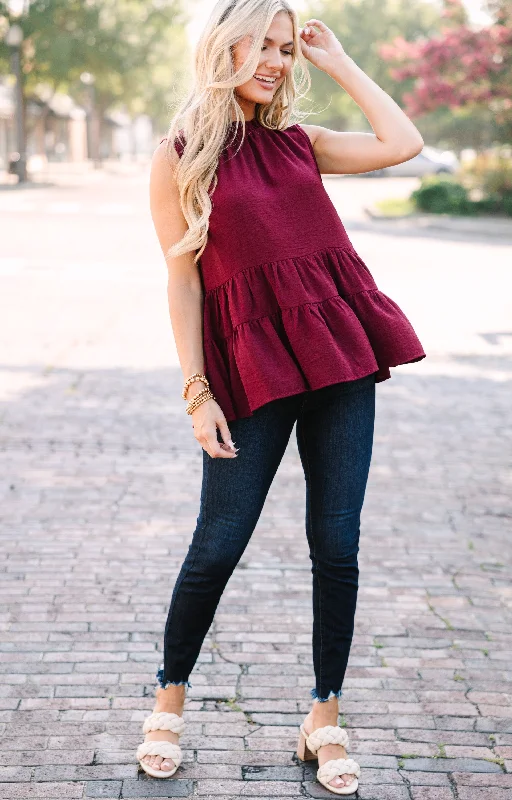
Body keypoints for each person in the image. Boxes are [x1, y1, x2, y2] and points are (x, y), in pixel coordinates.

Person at [136, 0, 426, 794]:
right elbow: (183, 278)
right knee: (218, 543)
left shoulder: (300, 144)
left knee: (336, 544)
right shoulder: (180, 154)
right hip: (251, 369)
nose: (272, 59)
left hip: (337, 362)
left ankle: (322, 718)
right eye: (257, 44)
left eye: (282, 46)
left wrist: (336, 60)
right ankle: (168, 705)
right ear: (221, 46)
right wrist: (196, 390)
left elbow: (403, 143)